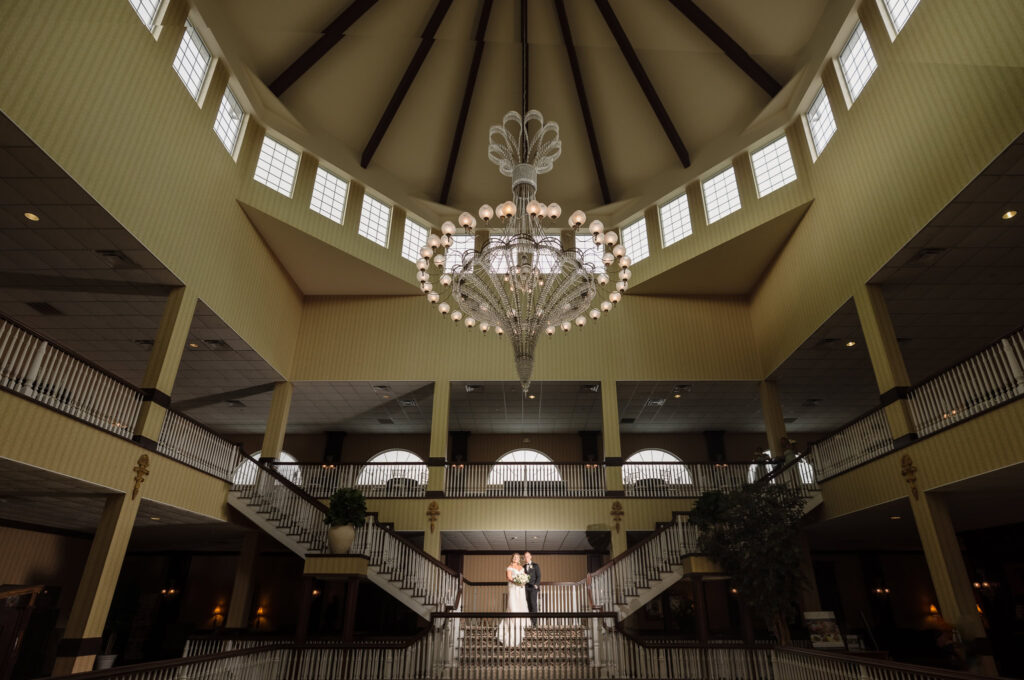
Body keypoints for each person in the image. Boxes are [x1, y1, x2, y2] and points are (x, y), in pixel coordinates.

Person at [496, 553, 528, 647]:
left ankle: (522, 621)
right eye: (514, 557)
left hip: (521, 589)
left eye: (517, 558)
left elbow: (525, 577)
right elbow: (509, 578)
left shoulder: (521, 567)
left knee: (521, 604)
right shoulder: (509, 567)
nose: (516, 559)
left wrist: (523, 581)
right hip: (513, 588)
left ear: (519, 559)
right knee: (513, 606)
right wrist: (517, 582)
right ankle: (513, 623)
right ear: (512, 558)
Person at [524, 551, 541, 626]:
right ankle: (529, 621)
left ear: (531, 557)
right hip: (526, 587)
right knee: (528, 604)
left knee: (533, 604)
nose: (526, 558)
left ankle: (534, 623)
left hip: (533, 587)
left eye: (527, 556)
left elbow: (539, 576)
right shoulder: (523, 566)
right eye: (525, 556)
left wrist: (536, 584)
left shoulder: (535, 565)